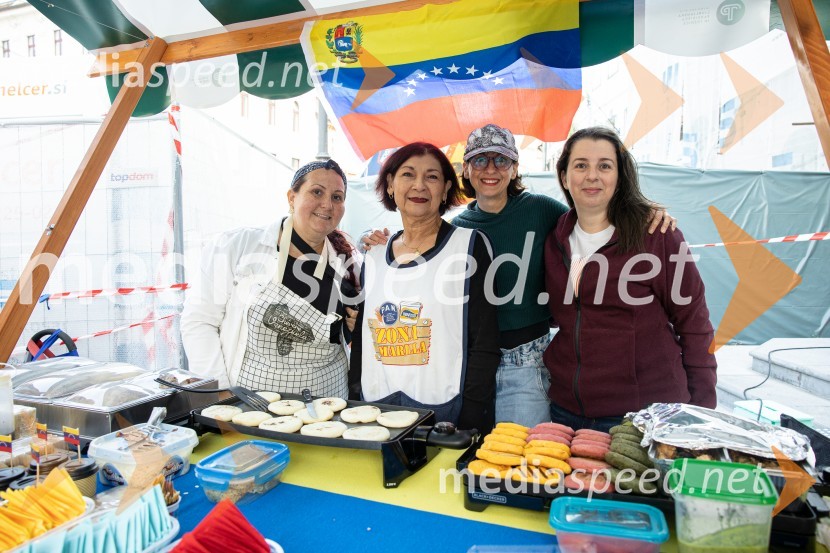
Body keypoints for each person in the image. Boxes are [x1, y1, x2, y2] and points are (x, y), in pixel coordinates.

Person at [361, 124, 675, 427]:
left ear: (514, 167)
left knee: (521, 466)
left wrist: (645, 211)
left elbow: (597, 212)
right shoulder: (459, 230)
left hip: (525, 360)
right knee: (475, 459)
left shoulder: (542, 210)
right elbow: (415, 251)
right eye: (480, 160)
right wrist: (376, 239)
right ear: (467, 169)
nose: (491, 169)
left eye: (501, 159)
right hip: (465, 362)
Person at [543, 126, 717, 432]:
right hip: (567, 412)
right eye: (581, 165)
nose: (592, 176)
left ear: (620, 177)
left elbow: (694, 323)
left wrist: (702, 410)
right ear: (564, 177)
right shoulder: (553, 238)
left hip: (643, 415)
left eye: (605, 166)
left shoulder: (656, 235)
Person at [349, 142, 500, 433]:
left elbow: (484, 341)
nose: (419, 185)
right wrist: (356, 397)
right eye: (408, 174)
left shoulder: (469, 245)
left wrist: (469, 416)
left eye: (431, 177)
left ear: (445, 189)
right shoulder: (376, 253)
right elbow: (362, 339)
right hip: (379, 410)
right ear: (391, 185)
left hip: (446, 412)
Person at [181, 159, 360, 397]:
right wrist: (220, 393)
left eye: (337, 197)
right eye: (317, 192)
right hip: (251, 407)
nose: (327, 204)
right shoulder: (237, 246)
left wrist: (357, 327)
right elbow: (199, 322)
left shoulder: (349, 262)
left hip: (329, 406)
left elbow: (348, 334)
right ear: (291, 197)